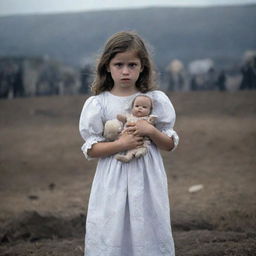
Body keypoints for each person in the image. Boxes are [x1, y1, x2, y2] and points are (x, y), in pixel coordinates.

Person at [79, 31, 179, 256]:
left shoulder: (155, 100)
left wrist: (150, 130)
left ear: (142, 66)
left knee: (148, 226)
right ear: (107, 66)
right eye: (119, 64)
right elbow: (92, 148)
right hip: (112, 179)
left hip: (147, 179)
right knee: (112, 228)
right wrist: (121, 144)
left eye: (132, 65)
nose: (125, 71)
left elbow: (169, 144)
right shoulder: (99, 103)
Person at [115, 94, 157, 163]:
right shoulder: (130, 117)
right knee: (130, 151)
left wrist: (152, 120)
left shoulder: (146, 119)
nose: (140, 108)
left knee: (143, 146)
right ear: (132, 108)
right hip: (127, 139)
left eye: (144, 107)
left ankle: (140, 152)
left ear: (150, 110)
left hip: (141, 141)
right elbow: (124, 118)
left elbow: (152, 124)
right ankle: (127, 157)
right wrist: (121, 117)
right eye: (137, 106)